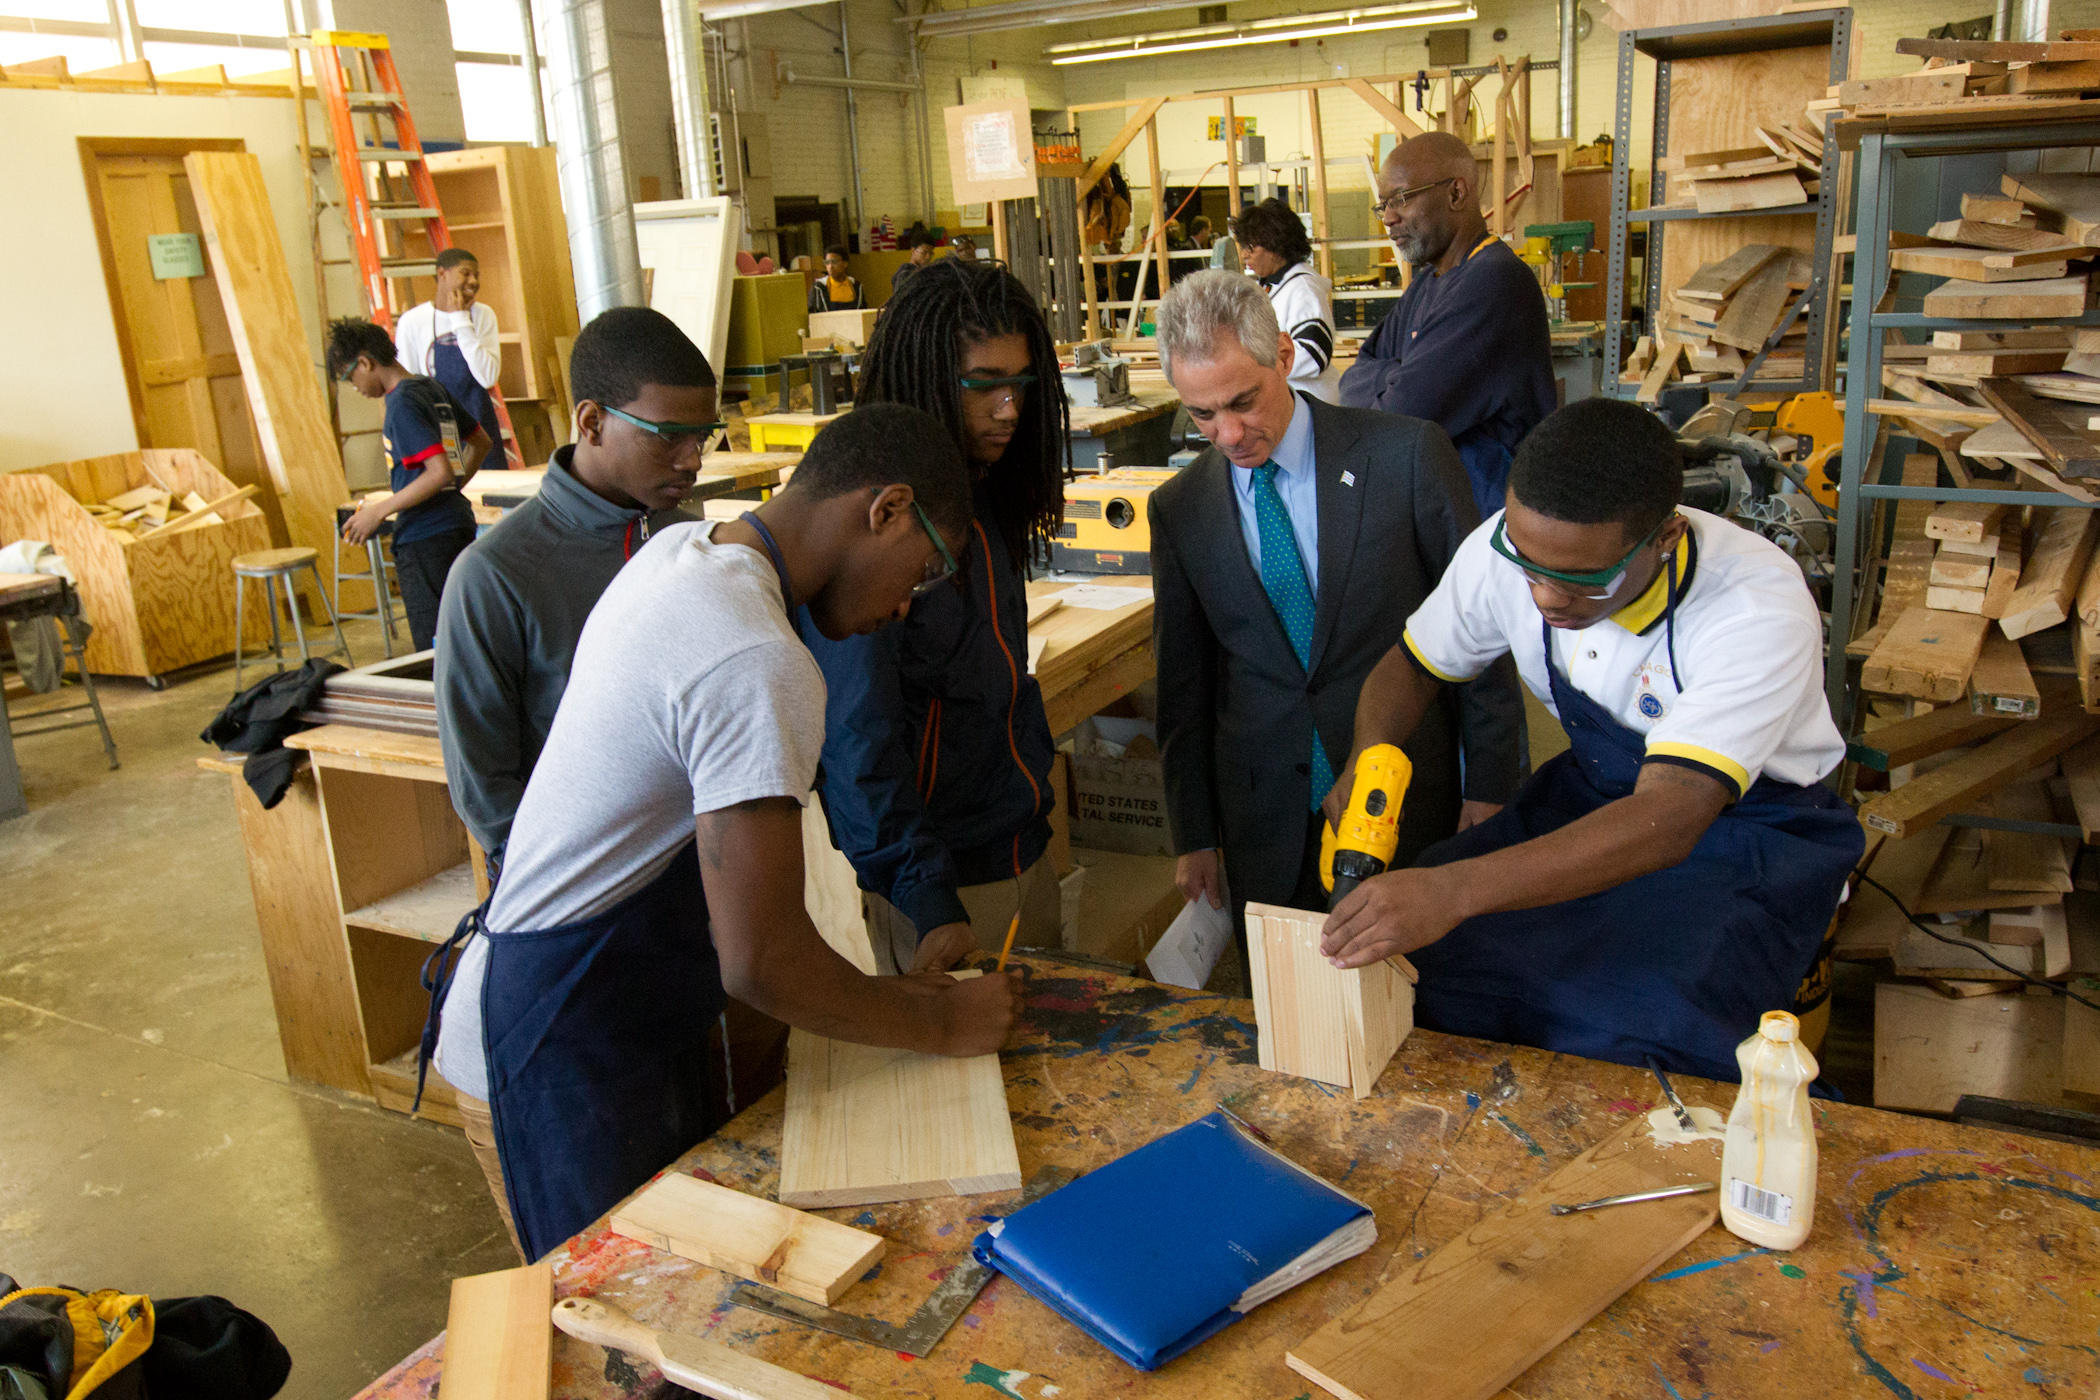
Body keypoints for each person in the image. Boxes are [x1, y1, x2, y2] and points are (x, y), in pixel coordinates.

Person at [429, 404, 1020, 1262]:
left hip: (599, 1006)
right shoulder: (754, 655)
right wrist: (939, 1026)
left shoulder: (689, 553)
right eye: (924, 571)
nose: (906, 607)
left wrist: (898, 999)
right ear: (885, 509)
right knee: (626, 1329)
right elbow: (760, 961)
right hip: (559, 1038)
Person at [1321, 398, 1862, 1083]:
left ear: (1664, 538)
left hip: (1744, 828)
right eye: (1529, 567)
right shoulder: (1512, 549)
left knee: (1656, 1028)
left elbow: (1668, 822)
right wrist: (1372, 756)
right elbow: (1410, 665)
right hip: (1592, 796)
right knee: (1428, 966)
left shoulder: (1754, 607)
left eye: (1582, 582)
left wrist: (1453, 891)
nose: (1546, 597)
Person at [1147, 271, 1522, 977]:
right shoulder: (1181, 508)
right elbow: (1184, 687)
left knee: (1421, 1001)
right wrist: (1193, 833)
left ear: (1284, 357)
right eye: (1200, 415)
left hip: (1403, 795)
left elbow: (1483, 632)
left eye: (1242, 402)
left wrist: (1491, 784)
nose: (1227, 434)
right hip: (1263, 814)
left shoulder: (1405, 456)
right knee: (1293, 1011)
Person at [799, 258, 1068, 977]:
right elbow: (856, 744)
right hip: (939, 893)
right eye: (984, 386)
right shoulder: (880, 527)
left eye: (1020, 385)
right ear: (924, 377)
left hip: (1017, 848)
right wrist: (926, 899)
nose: (1009, 408)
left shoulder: (983, 499)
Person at [434, 307, 710, 875]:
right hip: (573, 885)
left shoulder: (693, 542)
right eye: (672, 438)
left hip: (700, 868)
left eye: (704, 436)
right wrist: (554, 886)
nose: (694, 460)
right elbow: (484, 785)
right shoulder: (497, 576)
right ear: (591, 423)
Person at [1341, 131, 1554, 519]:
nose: (1389, 217)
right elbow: (1352, 379)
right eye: (1384, 205)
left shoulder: (1491, 281)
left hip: (1491, 517)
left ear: (1456, 193)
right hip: (1446, 506)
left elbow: (1397, 417)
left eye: (1401, 198)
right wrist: (1397, 374)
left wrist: (1395, 379)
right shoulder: (1430, 279)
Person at [331, 318, 490, 652]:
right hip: (455, 524)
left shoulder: (401, 403)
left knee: (436, 649)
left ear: (365, 363)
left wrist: (378, 511)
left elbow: (438, 473)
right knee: (463, 639)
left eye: (350, 378)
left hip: (425, 540)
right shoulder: (430, 387)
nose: (356, 388)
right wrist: (449, 490)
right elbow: (480, 443)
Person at [394, 248, 508, 465]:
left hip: (480, 425)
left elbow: (487, 377)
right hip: (437, 431)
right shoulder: (412, 322)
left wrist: (460, 318)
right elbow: (408, 387)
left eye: (477, 275)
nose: (473, 281)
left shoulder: (483, 315)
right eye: (466, 273)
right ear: (442, 274)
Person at [1231, 197, 1340, 404]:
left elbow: (1315, 354)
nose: (1245, 254)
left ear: (1275, 246)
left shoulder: (1303, 290)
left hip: (1312, 405)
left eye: (1251, 247)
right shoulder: (1275, 285)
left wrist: (1252, 364)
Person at [807, 245, 865, 314]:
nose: (830, 267)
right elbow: (812, 313)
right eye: (827, 262)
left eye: (834, 262)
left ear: (845, 263)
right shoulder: (819, 288)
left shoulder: (856, 286)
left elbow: (863, 311)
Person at [890, 230, 939, 299]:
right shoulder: (904, 275)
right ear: (913, 251)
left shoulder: (927, 273)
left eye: (931, 253)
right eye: (924, 252)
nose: (928, 257)